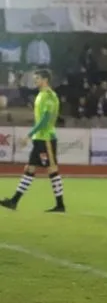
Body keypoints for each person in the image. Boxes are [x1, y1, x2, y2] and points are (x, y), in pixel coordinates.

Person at [1, 69, 66, 213]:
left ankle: (60, 205)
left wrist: (29, 135)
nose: (35, 81)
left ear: (45, 80)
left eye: (37, 78)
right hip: (40, 139)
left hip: (46, 138)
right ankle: (14, 201)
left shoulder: (48, 96)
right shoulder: (41, 95)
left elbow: (45, 120)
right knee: (30, 169)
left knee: (52, 170)